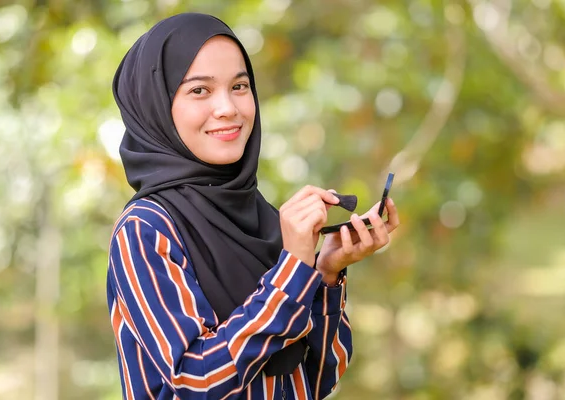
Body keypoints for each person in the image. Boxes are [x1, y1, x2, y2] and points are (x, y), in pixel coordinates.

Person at [107, 12, 399, 400]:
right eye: (199, 91)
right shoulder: (146, 230)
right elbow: (195, 381)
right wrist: (293, 270)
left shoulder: (261, 218)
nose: (228, 108)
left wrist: (325, 273)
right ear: (156, 105)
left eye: (240, 86)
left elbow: (312, 383)